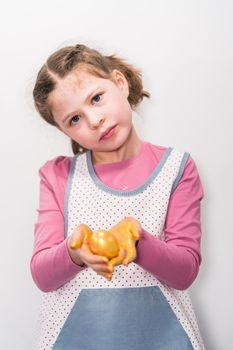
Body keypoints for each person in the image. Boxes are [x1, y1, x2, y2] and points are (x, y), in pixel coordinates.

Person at [31, 43, 205, 350]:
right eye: (74, 119)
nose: (94, 120)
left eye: (96, 98)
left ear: (120, 83)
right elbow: (43, 276)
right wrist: (75, 252)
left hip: (165, 339)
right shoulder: (58, 176)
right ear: (65, 131)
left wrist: (138, 242)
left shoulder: (177, 168)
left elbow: (185, 272)